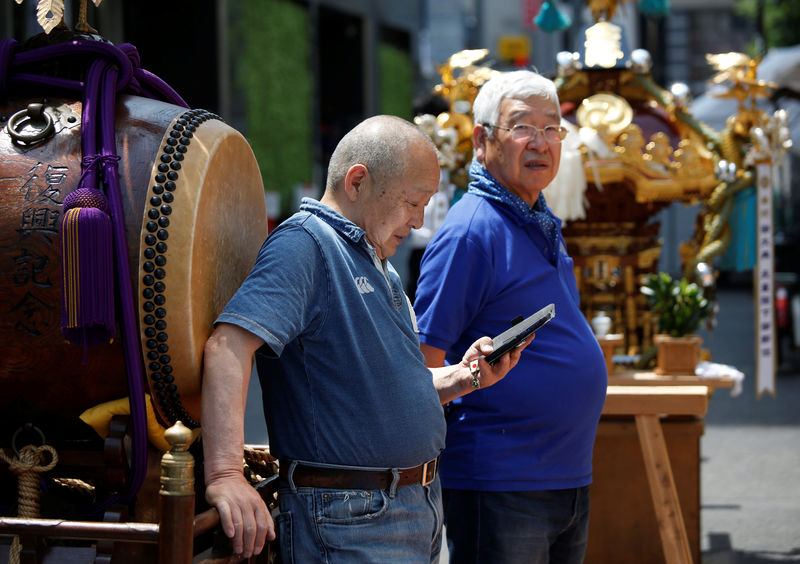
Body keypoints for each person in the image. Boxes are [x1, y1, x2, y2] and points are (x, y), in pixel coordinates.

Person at [200, 115, 531, 562]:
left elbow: (389, 388)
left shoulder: (373, 256)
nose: (417, 221)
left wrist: (464, 377)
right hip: (351, 519)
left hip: (406, 508)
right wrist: (225, 474)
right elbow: (228, 346)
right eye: (413, 202)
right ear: (358, 181)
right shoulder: (306, 244)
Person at [413, 70, 608, 563]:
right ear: (482, 140)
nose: (540, 141)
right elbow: (419, 366)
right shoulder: (471, 232)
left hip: (565, 476)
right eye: (523, 126)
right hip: (501, 483)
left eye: (552, 128)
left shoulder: (537, 219)